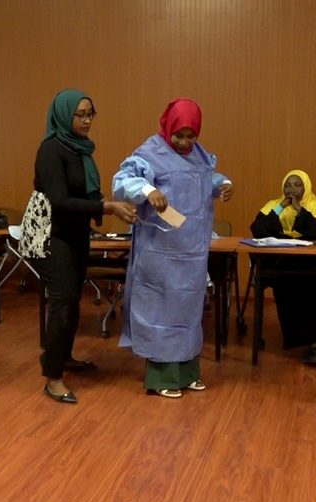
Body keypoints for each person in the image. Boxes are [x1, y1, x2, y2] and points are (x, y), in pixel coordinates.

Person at [112, 98, 234, 398]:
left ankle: (188, 372)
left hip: (191, 252)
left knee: (189, 310)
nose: (183, 142)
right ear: (167, 127)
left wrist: (222, 183)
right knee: (162, 312)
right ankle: (162, 377)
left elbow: (206, 178)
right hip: (160, 252)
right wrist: (148, 189)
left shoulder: (199, 155)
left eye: (191, 136)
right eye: (179, 135)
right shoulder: (151, 152)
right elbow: (122, 181)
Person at [27, 89, 137, 404]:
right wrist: (108, 209)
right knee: (61, 303)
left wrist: (112, 204)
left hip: (74, 233)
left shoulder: (80, 150)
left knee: (73, 300)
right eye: (81, 115)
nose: (87, 121)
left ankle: (64, 357)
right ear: (64, 115)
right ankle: (53, 377)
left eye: (91, 114)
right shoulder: (50, 151)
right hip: (51, 233)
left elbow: (88, 193)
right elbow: (60, 201)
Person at [249, 170, 316, 368]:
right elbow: (258, 229)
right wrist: (282, 207)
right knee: (287, 280)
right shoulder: (273, 205)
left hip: (310, 260)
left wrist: (298, 210)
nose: (292, 189)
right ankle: (295, 338)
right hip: (282, 260)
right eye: (288, 185)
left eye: (297, 185)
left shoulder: (315, 206)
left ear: (306, 187)